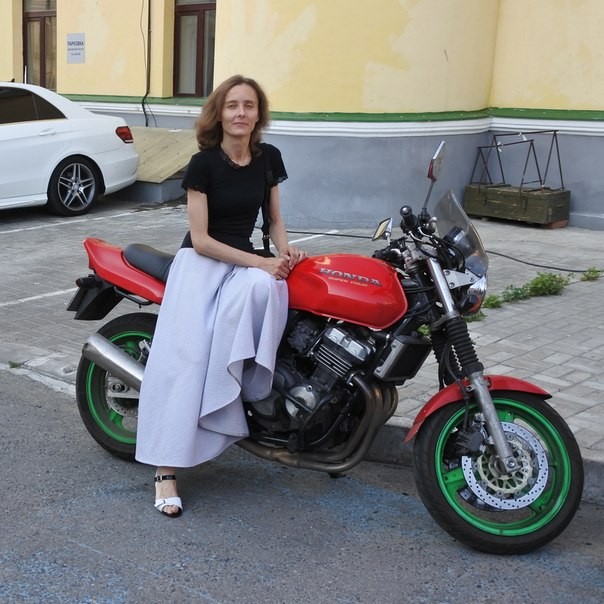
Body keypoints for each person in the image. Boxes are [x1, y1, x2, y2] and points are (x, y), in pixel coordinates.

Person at [135, 75, 307, 517]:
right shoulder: (203, 164)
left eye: (249, 105)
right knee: (187, 359)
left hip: (244, 264)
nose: (241, 113)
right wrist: (260, 262)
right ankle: (165, 469)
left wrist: (284, 251)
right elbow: (201, 239)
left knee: (271, 286)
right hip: (200, 265)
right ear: (219, 113)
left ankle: (245, 386)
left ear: (258, 113)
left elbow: (273, 220)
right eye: (232, 105)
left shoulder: (268, 158)